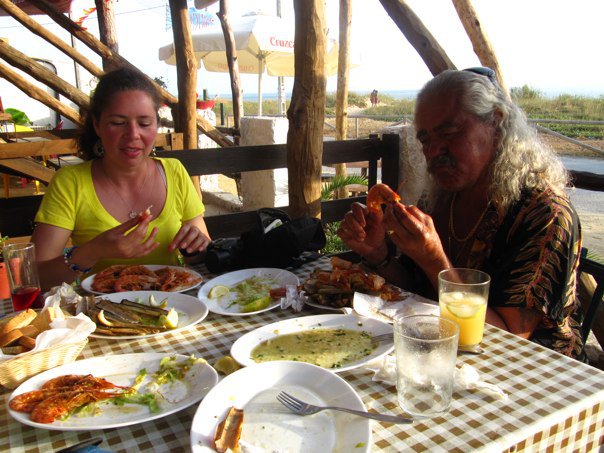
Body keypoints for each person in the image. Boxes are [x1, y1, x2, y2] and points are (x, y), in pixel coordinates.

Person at [338, 68, 585, 360]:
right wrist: (379, 253)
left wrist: (434, 260)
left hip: (533, 374)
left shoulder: (543, 213)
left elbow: (506, 341)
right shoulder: (442, 197)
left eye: (450, 133)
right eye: (426, 140)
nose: (434, 151)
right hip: (441, 352)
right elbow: (415, 291)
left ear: (496, 123)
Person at [32, 67, 211, 290]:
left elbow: (202, 253)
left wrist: (195, 245)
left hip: (175, 307)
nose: (133, 135)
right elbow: (36, 277)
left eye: (145, 123)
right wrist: (94, 251)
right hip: (102, 313)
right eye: (118, 123)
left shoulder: (173, 171)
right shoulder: (71, 182)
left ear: (156, 126)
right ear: (97, 125)